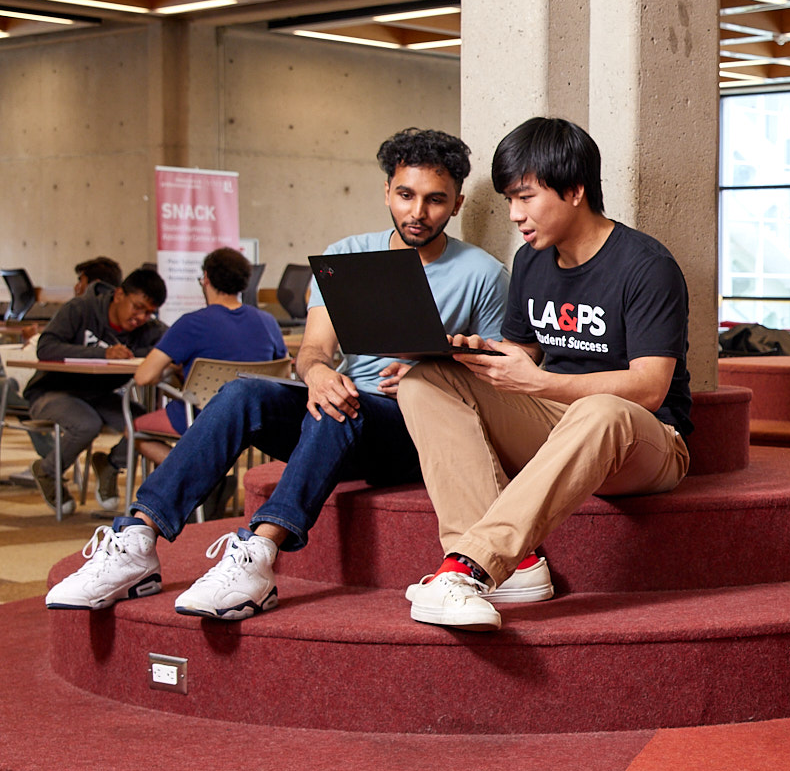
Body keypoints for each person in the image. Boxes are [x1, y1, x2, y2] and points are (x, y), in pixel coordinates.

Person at [45, 128, 509, 620]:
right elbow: (313, 350)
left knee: (339, 408)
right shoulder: (348, 255)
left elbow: (500, 380)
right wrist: (317, 374)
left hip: (412, 432)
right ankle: (137, 537)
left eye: (435, 200)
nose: (417, 212)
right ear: (387, 191)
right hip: (342, 416)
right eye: (405, 195)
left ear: (457, 203)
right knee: (245, 394)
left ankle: (257, 555)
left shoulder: (482, 273)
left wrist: (433, 369)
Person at [395, 116, 692, 633]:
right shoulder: (532, 261)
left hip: (646, 441)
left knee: (601, 410)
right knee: (424, 380)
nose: (514, 215)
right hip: (560, 420)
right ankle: (517, 568)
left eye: (525, 197)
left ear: (575, 190)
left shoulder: (646, 265)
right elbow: (521, 352)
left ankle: (471, 566)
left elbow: (648, 387)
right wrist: (472, 356)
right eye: (510, 200)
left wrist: (541, 383)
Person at [123, 247, 287, 478]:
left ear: (206, 279)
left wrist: (174, 366)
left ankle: (202, 478)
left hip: (200, 418)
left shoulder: (191, 323)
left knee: (135, 429)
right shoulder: (268, 322)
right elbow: (282, 371)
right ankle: (211, 480)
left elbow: (144, 377)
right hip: (255, 421)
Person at [24, 266, 166, 512]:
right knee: (86, 423)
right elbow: (46, 347)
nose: (141, 317)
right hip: (53, 392)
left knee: (144, 422)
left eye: (149, 313)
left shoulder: (149, 329)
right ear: (119, 295)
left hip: (99, 396)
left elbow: (166, 348)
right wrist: (103, 353)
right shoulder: (80, 309)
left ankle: (110, 464)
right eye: (137, 307)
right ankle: (46, 470)